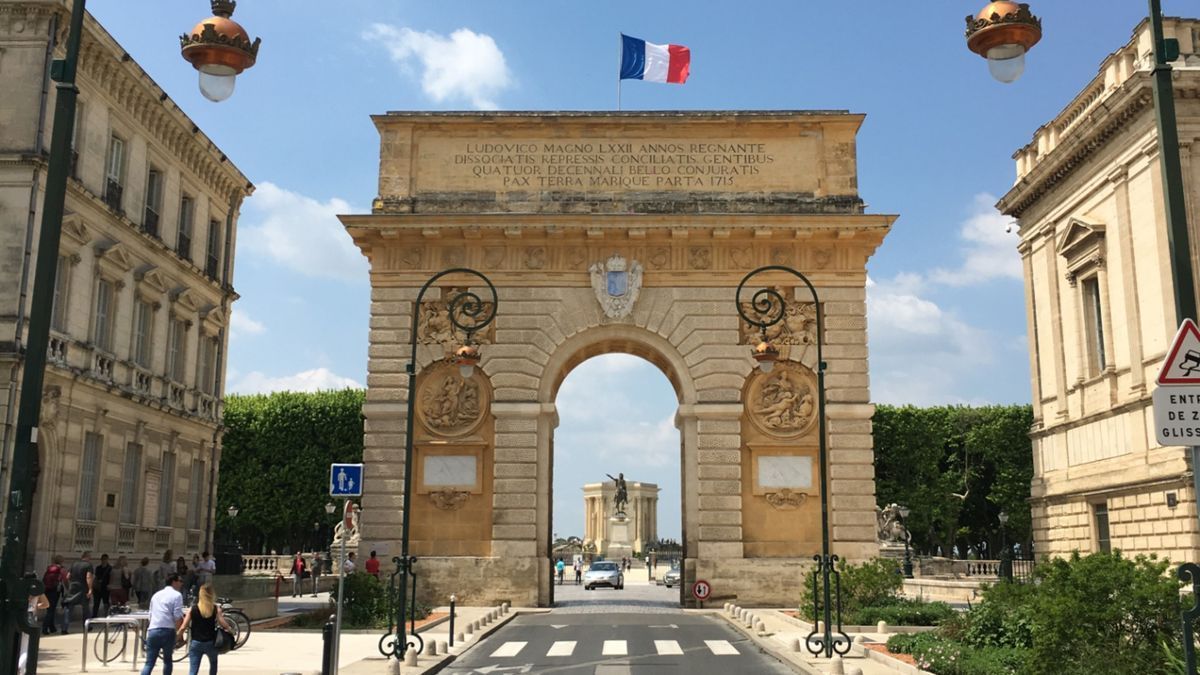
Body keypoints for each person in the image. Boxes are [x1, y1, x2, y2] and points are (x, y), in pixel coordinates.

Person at [178, 582, 234, 675]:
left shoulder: (193, 609)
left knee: (193, 670)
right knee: (213, 665)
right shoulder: (215, 608)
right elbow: (223, 623)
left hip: (196, 642)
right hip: (210, 642)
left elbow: (184, 626)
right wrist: (230, 629)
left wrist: (177, 636)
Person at [141, 573, 185, 675]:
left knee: (149, 663)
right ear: (174, 582)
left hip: (153, 629)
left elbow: (150, 614)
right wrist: (179, 634)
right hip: (168, 630)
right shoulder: (177, 595)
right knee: (167, 661)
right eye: (180, 581)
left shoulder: (156, 595)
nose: (181, 584)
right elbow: (177, 616)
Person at [18, 580, 49, 675]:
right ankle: (21, 669)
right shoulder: (37, 589)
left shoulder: (19, 588)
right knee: (25, 647)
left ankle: (19, 668)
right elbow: (46, 604)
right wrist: (36, 606)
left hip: (18, 616)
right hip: (30, 616)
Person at [62, 551, 94, 634]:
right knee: (86, 608)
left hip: (73, 588)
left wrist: (69, 585)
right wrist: (90, 589)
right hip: (83, 589)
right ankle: (87, 626)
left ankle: (64, 628)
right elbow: (88, 577)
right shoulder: (88, 565)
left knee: (69, 607)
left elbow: (67, 576)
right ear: (88, 557)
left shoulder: (74, 564)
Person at [41, 554, 66, 635]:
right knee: (51, 610)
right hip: (55, 591)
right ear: (61, 561)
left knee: (50, 609)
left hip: (47, 590)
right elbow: (65, 579)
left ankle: (52, 627)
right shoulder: (61, 569)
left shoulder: (49, 568)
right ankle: (45, 628)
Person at [93, 553, 113, 618]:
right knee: (96, 603)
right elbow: (96, 576)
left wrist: (110, 585)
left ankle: (106, 615)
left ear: (107, 560)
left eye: (105, 559)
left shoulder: (110, 568)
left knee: (106, 602)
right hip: (98, 588)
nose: (104, 561)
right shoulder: (98, 568)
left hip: (105, 587)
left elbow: (111, 577)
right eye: (103, 559)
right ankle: (94, 615)